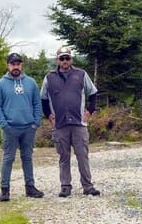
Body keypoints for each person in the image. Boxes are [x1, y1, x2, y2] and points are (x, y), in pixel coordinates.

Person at [41, 46, 100, 197]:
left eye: (67, 58)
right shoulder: (49, 77)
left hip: (79, 123)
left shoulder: (81, 74)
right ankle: (65, 186)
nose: (65, 61)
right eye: (62, 58)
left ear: (71, 59)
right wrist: (49, 116)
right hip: (60, 124)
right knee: (63, 157)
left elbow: (93, 92)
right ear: (57, 60)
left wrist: (90, 111)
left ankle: (87, 186)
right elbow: (43, 99)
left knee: (82, 155)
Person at [0, 52, 44, 202]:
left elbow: (37, 104)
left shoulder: (31, 82)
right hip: (10, 128)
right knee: (8, 158)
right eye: (13, 64)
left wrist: (35, 122)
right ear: (8, 65)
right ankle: (5, 190)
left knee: (27, 157)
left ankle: (30, 187)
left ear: (21, 65)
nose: (16, 66)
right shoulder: (0, 84)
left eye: (18, 64)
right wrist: (4, 125)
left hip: (28, 127)